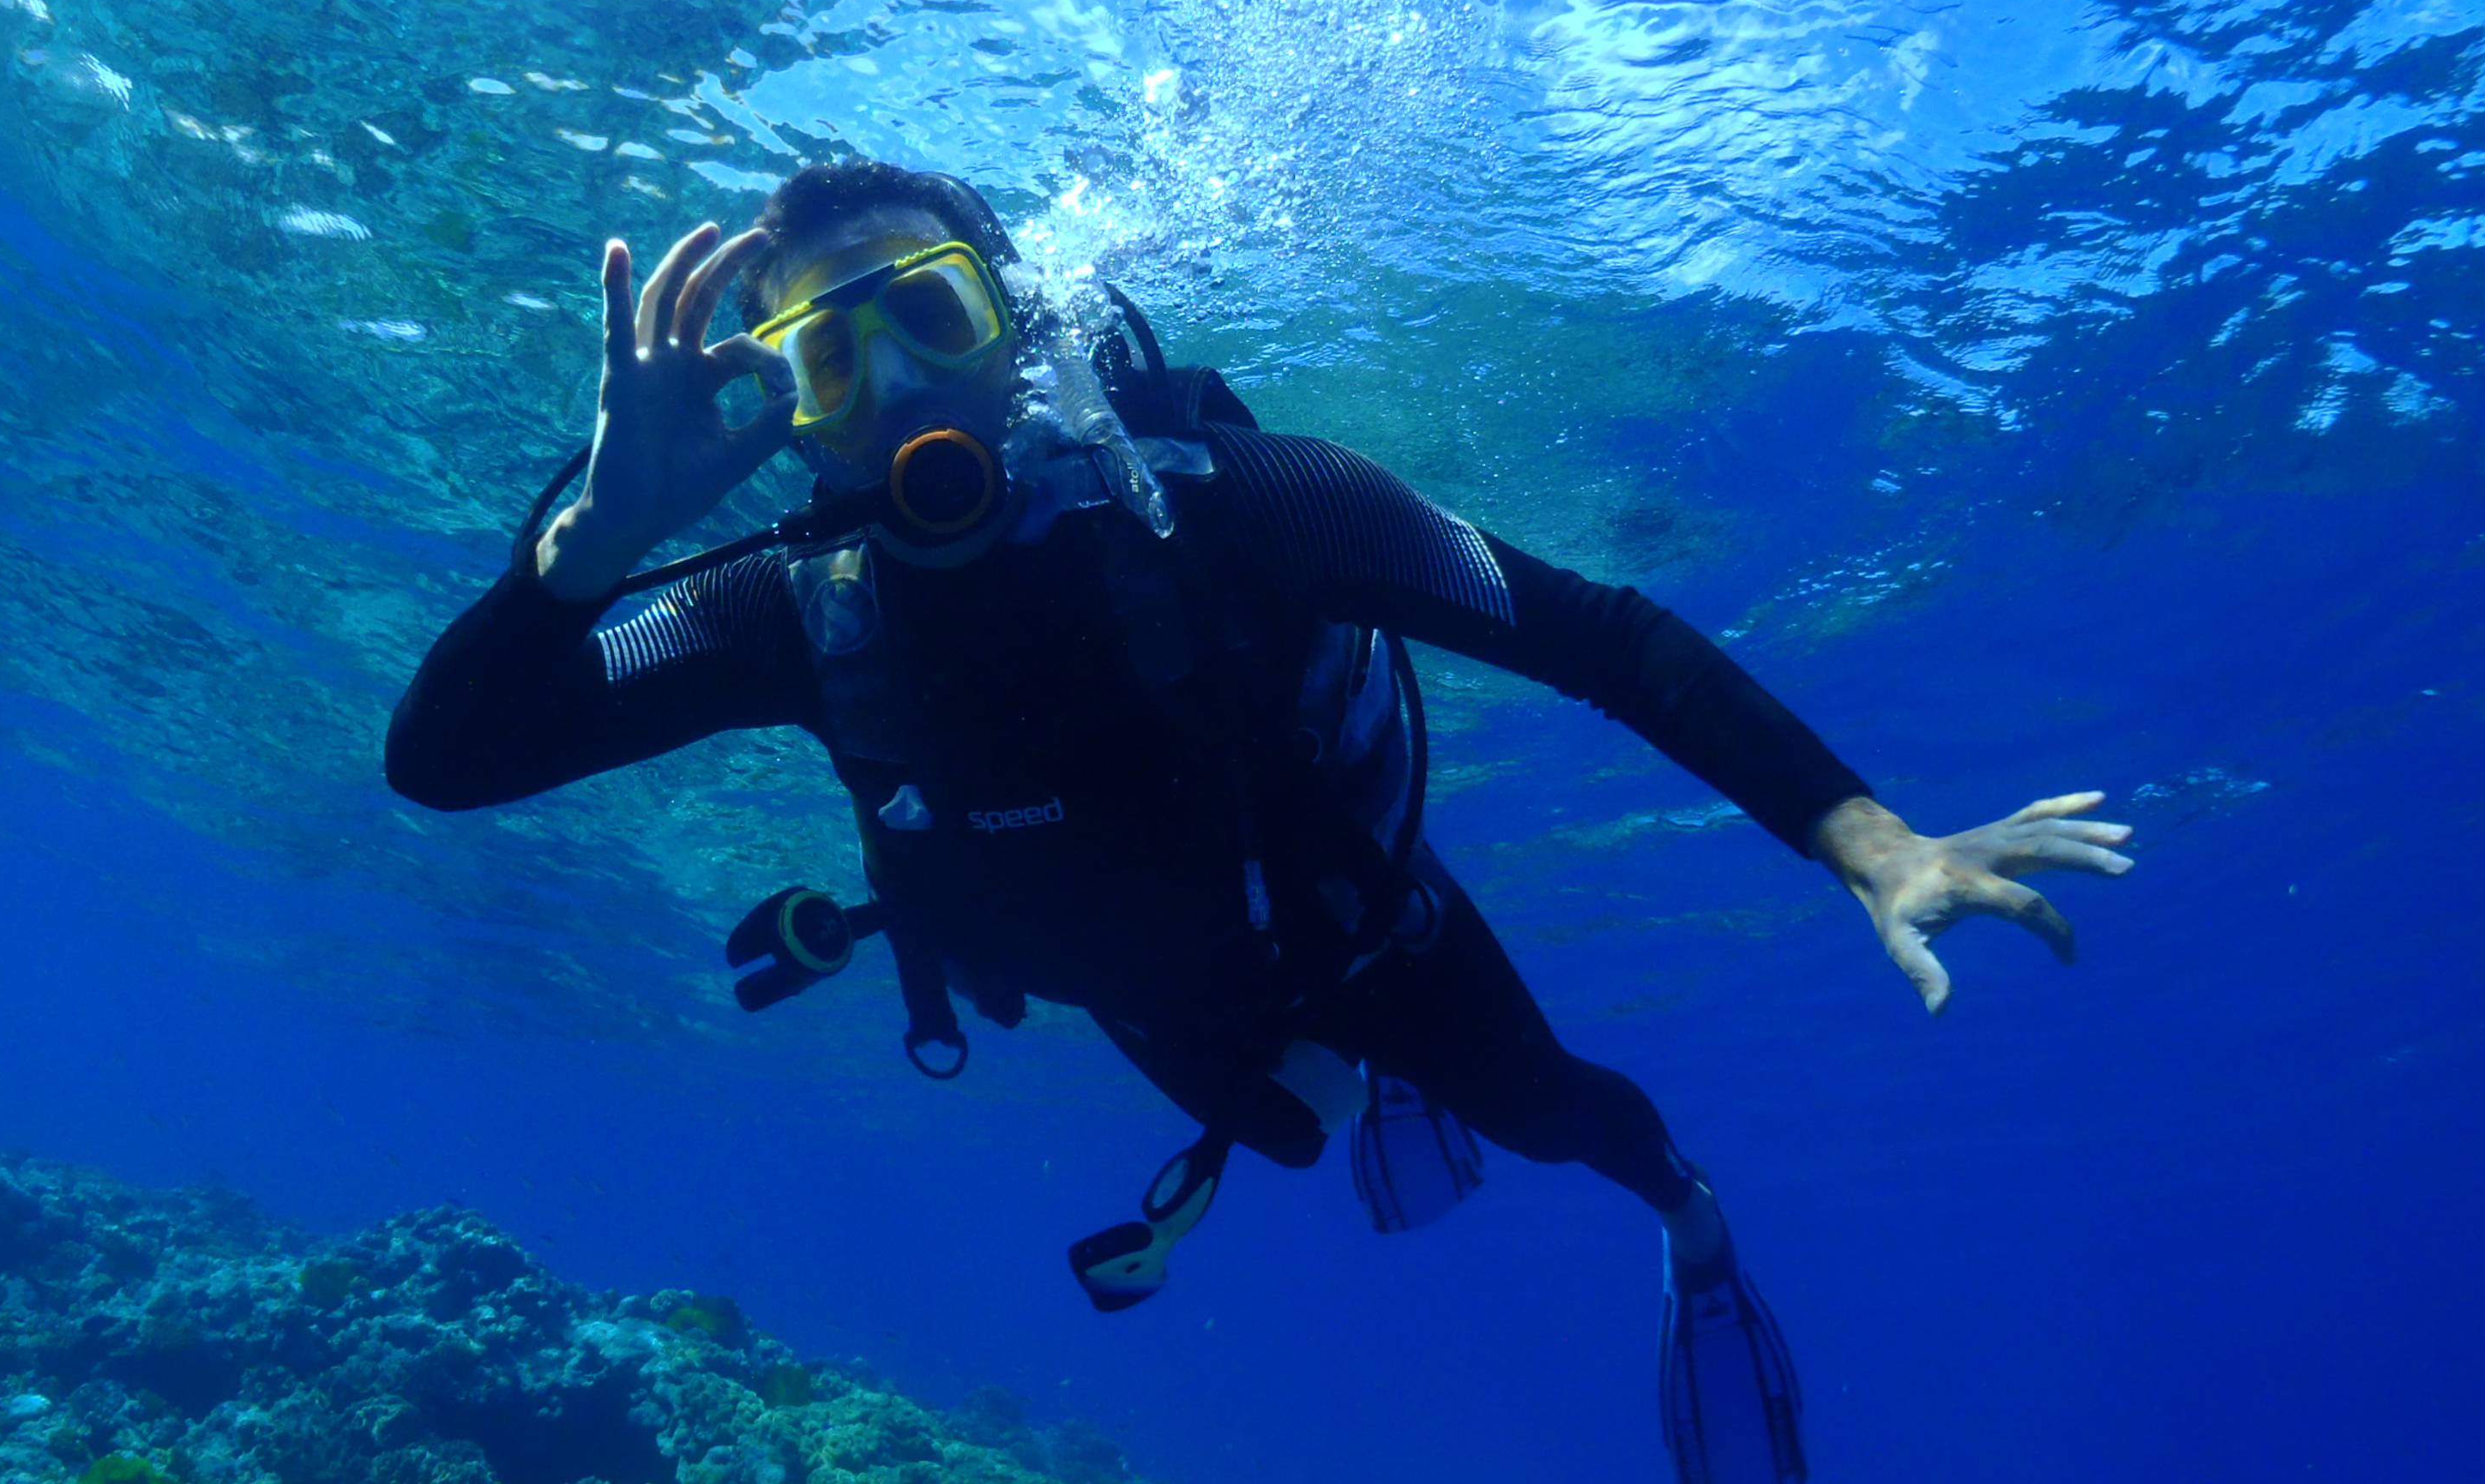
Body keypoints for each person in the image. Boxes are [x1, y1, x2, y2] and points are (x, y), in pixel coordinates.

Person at [383, 161, 2133, 1481]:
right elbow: (448, 759)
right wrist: (591, 545)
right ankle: (1317, 1105)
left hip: (1371, 938)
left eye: (932, 312)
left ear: (1023, 321)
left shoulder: (1254, 507)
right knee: (1282, 1134)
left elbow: (1594, 632)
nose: (904, 382)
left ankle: (1689, 1221)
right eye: (831, 358)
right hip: (1147, 1000)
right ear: (792, 425)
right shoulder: (782, 604)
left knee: (1547, 1117)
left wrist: (1867, 836)